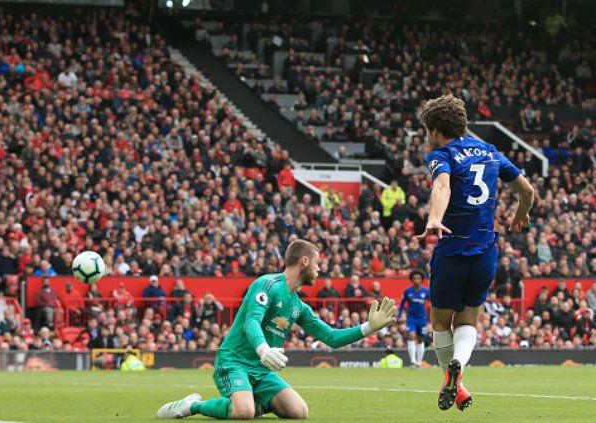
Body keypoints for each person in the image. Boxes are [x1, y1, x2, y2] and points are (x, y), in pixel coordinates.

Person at [156, 239, 397, 419]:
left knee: (299, 412)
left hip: (261, 370)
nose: (319, 269)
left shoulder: (298, 305)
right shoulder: (267, 284)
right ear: (304, 261)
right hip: (234, 361)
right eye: (317, 263)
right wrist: (262, 350)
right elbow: (251, 321)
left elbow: (331, 337)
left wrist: (368, 328)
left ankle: (254, 400)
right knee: (243, 412)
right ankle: (193, 405)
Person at [417, 94, 534, 411]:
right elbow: (527, 190)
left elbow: (442, 186)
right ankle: (459, 375)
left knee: (441, 324)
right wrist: (521, 213)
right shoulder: (491, 152)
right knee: (469, 320)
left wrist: (434, 218)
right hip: (485, 251)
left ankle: (452, 375)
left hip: (453, 250)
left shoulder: (441, 154)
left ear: (435, 129)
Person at [398, 270, 430, 368]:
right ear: (412, 280)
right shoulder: (408, 291)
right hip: (411, 318)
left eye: (418, 278)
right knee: (411, 336)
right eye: (414, 278)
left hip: (422, 319)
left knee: (420, 339)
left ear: (421, 280)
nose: (416, 280)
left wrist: (431, 319)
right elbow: (402, 303)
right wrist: (400, 314)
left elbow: (432, 304)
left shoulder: (426, 291)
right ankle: (412, 361)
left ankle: (419, 362)